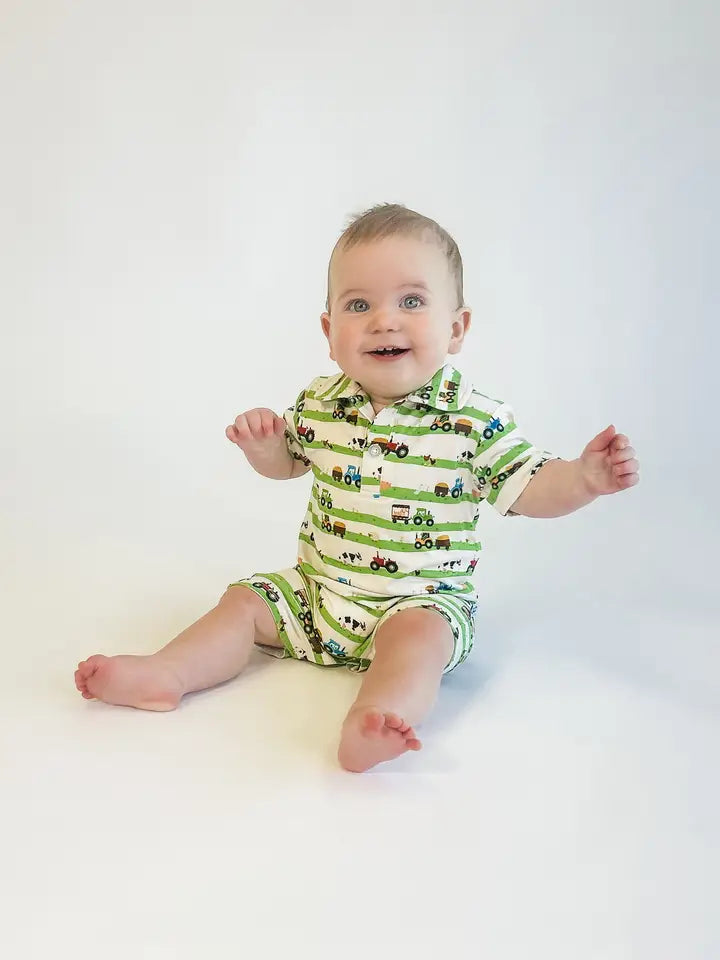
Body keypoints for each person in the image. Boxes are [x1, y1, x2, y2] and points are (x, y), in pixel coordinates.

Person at [74, 203, 640, 772]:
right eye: (359, 305)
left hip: (419, 600)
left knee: (418, 643)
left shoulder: (473, 421)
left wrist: (582, 478)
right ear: (329, 332)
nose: (384, 320)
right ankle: (168, 672)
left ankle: (376, 719)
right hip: (317, 595)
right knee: (244, 601)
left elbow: (530, 487)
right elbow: (289, 465)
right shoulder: (321, 403)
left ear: (456, 328)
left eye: (411, 301)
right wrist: (265, 447)